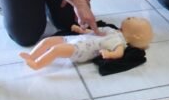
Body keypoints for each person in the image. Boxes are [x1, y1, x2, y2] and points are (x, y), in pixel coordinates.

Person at [19, 16, 153, 70]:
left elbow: (118, 53)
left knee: (56, 49)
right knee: (48, 41)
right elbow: (94, 31)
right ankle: (32, 55)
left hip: (82, 49)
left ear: (136, 35)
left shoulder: (119, 42)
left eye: (135, 19)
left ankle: (37, 64)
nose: (131, 18)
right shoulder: (112, 30)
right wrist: (81, 30)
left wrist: (108, 55)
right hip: (76, 40)